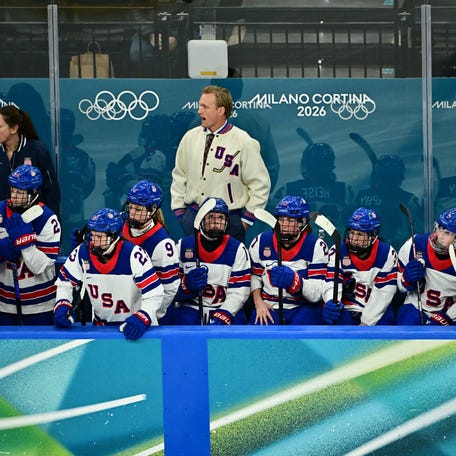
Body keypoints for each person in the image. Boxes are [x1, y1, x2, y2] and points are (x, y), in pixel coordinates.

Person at [170, 85, 271, 243]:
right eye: (199, 105)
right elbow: (179, 175)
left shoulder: (243, 141)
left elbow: (260, 184)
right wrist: (180, 212)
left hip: (229, 220)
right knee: (192, 266)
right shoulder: (189, 137)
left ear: (220, 111)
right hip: (193, 216)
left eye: (205, 107)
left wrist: (245, 221)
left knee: (229, 267)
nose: (199, 111)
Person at [54, 208, 164, 340]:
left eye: (99, 236)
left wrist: (144, 315)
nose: (94, 241)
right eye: (92, 235)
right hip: (100, 329)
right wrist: (62, 303)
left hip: (134, 328)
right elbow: (64, 281)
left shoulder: (134, 255)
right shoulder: (82, 252)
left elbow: (155, 293)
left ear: (114, 236)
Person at [170, 197, 251, 325]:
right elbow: (170, 289)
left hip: (224, 307)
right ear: (202, 219)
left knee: (238, 326)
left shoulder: (238, 249)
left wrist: (225, 313)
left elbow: (239, 291)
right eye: (211, 217)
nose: (216, 222)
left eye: (220, 218)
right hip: (191, 308)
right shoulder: (183, 245)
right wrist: (186, 286)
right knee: (179, 321)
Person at [249, 195, 328, 325]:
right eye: (281, 219)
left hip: (303, 307)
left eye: (290, 220)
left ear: (302, 222)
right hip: (270, 306)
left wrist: (296, 282)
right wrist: (259, 303)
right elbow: (255, 276)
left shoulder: (316, 246)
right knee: (259, 326)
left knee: (302, 327)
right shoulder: (261, 241)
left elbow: (318, 293)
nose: (284, 225)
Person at [0, 165, 61, 325]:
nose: (14, 195)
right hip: (4, 304)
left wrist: (25, 245)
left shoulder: (47, 219)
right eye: (13, 190)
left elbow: (41, 267)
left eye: (20, 192)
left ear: (34, 193)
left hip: (40, 304)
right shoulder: (0, 210)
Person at [322, 207, 397, 326]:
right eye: (352, 232)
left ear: (373, 236)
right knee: (333, 317)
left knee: (386, 321)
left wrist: (366, 322)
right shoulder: (338, 250)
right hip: (346, 308)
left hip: (375, 311)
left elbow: (384, 293)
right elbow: (331, 283)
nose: (354, 239)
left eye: (360, 234)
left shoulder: (387, 253)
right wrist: (331, 301)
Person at [121, 180, 180, 323]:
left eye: (138, 210)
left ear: (152, 210)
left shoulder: (163, 245)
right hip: (119, 307)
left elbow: (169, 289)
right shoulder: (119, 224)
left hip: (146, 315)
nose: (132, 213)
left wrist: (147, 315)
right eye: (131, 207)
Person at [270, 141, 349, 235]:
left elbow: (269, 215)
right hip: (334, 246)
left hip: (302, 246)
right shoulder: (344, 190)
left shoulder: (289, 189)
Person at [396, 207, 456, 325]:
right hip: (415, 308)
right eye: (440, 229)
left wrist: (447, 317)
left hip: (448, 314)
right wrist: (406, 279)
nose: (440, 236)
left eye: (448, 233)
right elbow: (400, 287)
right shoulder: (415, 243)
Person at [0, 105, 61, 216]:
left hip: (33, 219)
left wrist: (51, 219)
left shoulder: (37, 150)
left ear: (13, 129)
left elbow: (51, 189)